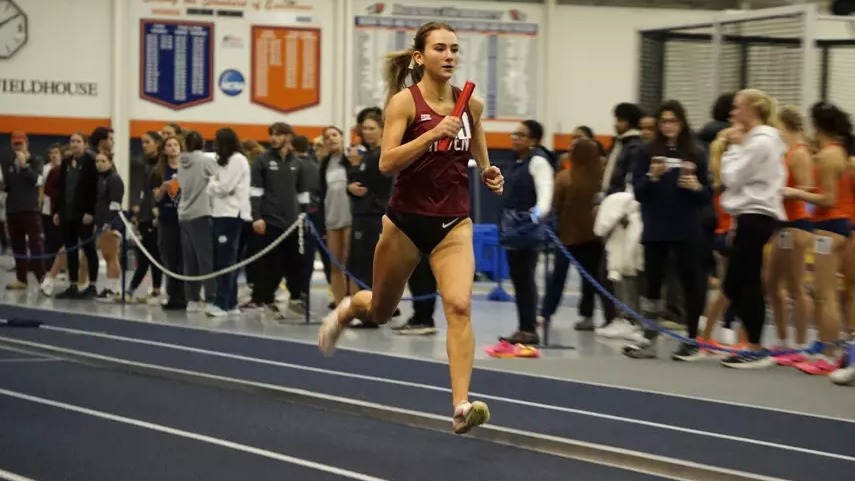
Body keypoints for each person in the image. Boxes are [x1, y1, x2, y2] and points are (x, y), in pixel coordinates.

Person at [316, 21, 504, 435]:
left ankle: (460, 404)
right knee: (382, 311)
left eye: (454, 48)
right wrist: (432, 134)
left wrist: (491, 172)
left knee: (458, 306)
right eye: (440, 48)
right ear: (420, 57)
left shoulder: (470, 104)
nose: (450, 55)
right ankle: (350, 306)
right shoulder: (404, 103)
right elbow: (387, 163)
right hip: (405, 221)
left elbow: (479, 151)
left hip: (454, 220)